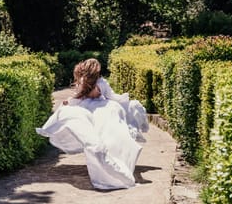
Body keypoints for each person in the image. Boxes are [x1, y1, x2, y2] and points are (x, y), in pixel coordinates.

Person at [36, 58, 149, 190]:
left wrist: (69, 101)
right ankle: (111, 157)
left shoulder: (83, 82)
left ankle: (102, 156)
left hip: (88, 109)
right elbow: (112, 97)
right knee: (111, 133)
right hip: (104, 108)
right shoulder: (102, 82)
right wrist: (124, 100)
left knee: (97, 133)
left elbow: (77, 98)